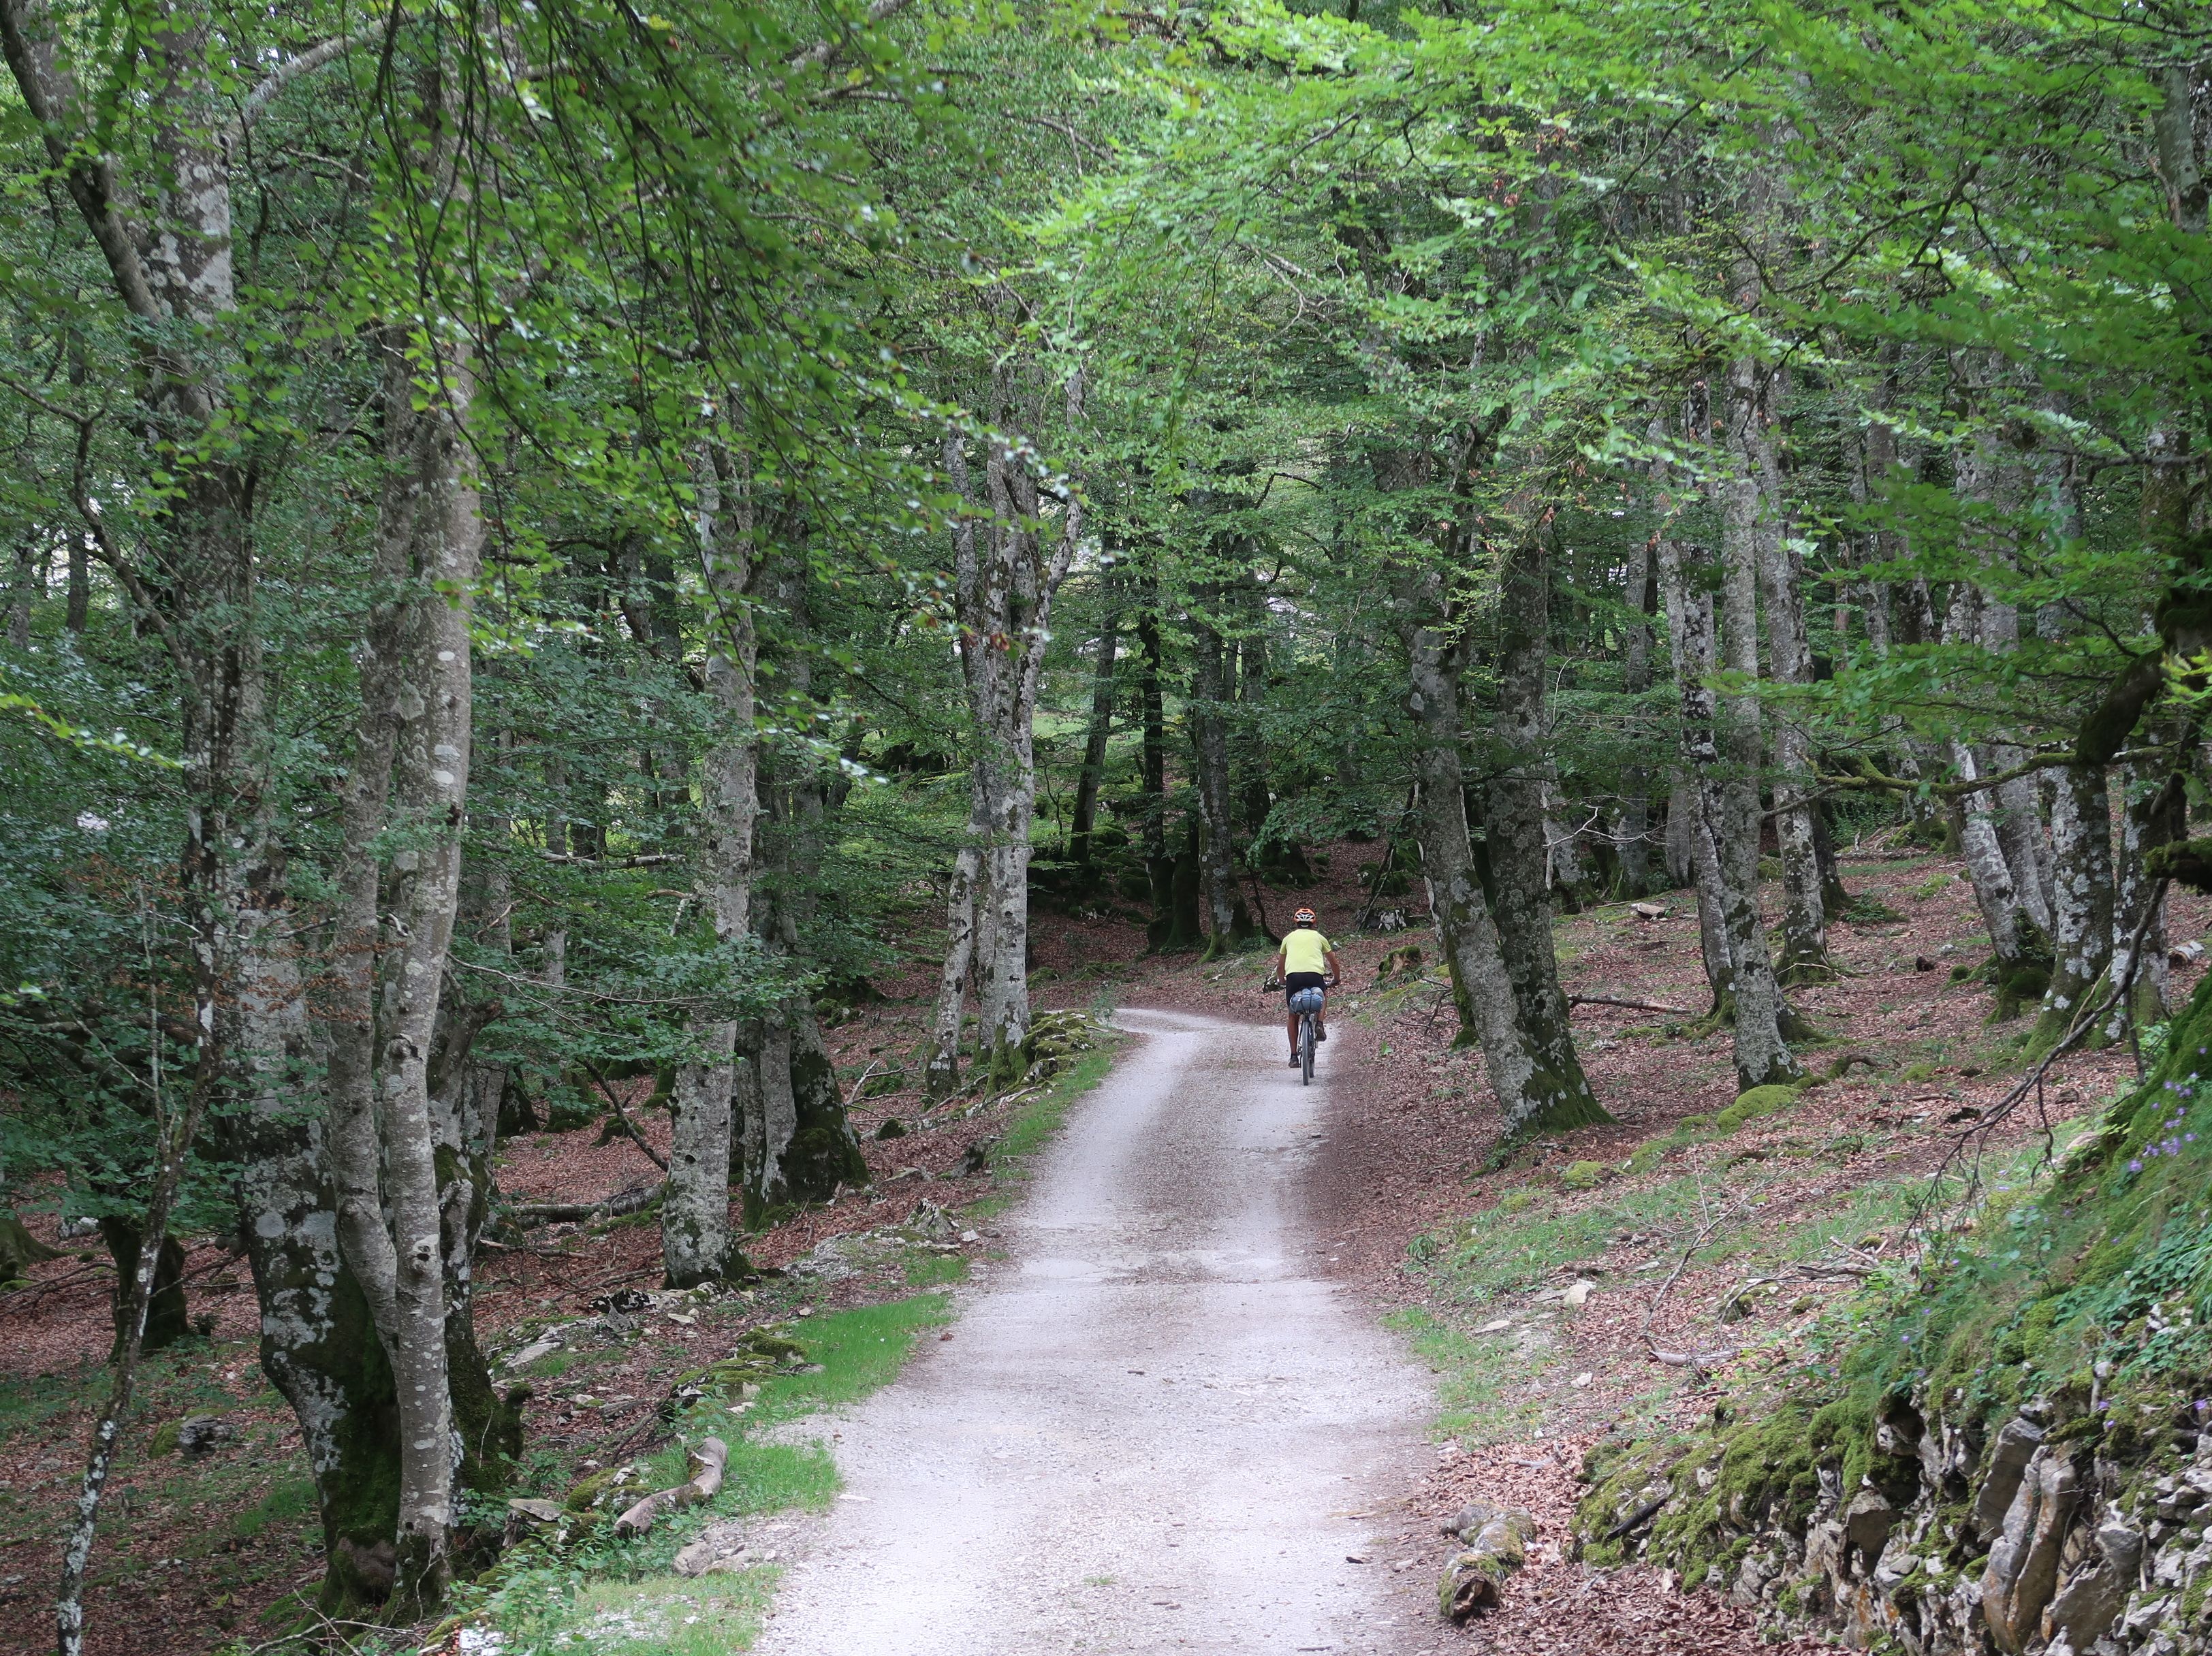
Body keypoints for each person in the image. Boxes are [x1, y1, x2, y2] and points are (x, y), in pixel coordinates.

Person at [1274, 908, 1340, 1066]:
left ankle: (1294, 1057)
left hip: (1293, 977)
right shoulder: (1319, 937)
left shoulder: (1288, 939)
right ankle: (1319, 1024)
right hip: (1314, 976)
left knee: (1292, 1015)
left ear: (1296, 922)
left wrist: (1282, 981)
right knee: (1323, 996)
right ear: (1313, 923)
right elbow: (1334, 962)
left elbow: (1280, 966)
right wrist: (1336, 979)